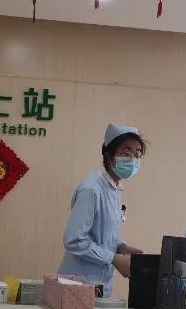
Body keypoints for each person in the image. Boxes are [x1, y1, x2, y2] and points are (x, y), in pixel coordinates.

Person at [58, 123, 147, 297]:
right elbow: (74, 240)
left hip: (98, 285)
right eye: (125, 153)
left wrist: (121, 247)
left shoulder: (113, 188)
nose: (132, 160)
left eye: (137, 155)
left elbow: (102, 233)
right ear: (107, 153)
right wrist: (114, 259)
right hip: (77, 285)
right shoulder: (92, 190)